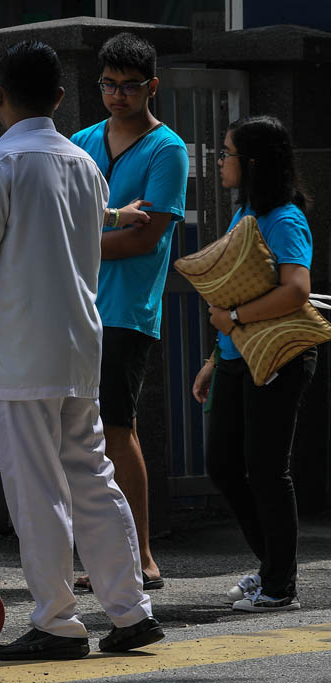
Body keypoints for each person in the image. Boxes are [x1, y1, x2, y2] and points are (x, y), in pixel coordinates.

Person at [0, 41, 163, 659]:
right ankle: (131, 611)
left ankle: (56, 621)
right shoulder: (83, 162)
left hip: (21, 353)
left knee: (36, 487)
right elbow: (92, 224)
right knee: (92, 477)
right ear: (59, 97)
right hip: (81, 345)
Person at [70, 32, 189, 592]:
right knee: (77, 430)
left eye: (130, 86)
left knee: (117, 426)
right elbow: (64, 225)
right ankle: (98, 552)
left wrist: (77, 238)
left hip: (125, 309)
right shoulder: (81, 140)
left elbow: (145, 241)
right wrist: (110, 224)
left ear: (153, 87)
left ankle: (141, 553)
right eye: (109, 85)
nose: (117, 95)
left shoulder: (168, 149)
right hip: (72, 303)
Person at [192, 115, 315, 613]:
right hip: (233, 360)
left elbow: (297, 289)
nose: (220, 161)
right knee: (223, 465)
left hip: (278, 359)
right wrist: (210, 358)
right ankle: (272, 570)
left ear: (253, 162)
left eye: (227, 153)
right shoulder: (244, 212)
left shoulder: (285, 218)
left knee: (267, 471)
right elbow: (233, 288)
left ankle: (279, 587)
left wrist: (235, 316)